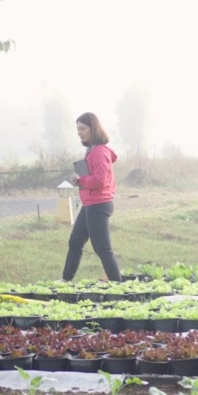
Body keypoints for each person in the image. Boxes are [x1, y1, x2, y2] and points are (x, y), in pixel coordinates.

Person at [62, 112, 122, 281]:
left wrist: (80, 179)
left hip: (99, 204)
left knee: (102, 248)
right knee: (75, 242)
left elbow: (100, 180)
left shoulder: (98, 152)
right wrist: (80, 181)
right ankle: (66, 279)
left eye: (83, 128)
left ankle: (118, 285)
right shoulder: (91, 150)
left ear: (93, 129)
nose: (79, 132)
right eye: (78, 129)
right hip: (90, 203)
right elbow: (93, 178)